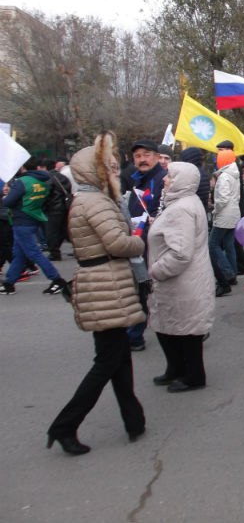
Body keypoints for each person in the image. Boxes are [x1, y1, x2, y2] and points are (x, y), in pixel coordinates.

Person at [47, 132, 146, 455]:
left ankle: (134, 420)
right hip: (106, 283)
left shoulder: (89, 200)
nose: (117, 172)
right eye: (112, 167)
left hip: (104, 282)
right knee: (107, 361)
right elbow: (117, 243)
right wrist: (139, 239)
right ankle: (65, 425)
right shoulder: (95, 202)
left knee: (117, 358)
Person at [145, 161, 214, 391]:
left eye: (169, 176)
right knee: (172, 327)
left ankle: (193, 377)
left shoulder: (182, 208)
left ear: (181, 181)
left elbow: (181, 254)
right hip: (182, 280)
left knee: (186, 331)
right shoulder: (184, 202)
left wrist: (156, 270)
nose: (165, 179)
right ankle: (176, 369)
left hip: (181, 280)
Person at [0, 158, 68, 296]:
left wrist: (5, 195)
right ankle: (9, 283)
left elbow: (8, 202)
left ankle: (57, 280)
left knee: (33, 253)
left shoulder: (22, 182)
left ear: (23, 167)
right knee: (19, 253)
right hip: (33, 217)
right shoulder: (42, 181)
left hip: (21, 220)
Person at [126, 139, 167, 351]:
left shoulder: (162, 179)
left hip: (155, 245)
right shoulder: (137, 180)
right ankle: (134, 334)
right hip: (138, 243)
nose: (142, 159)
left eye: (146, 155)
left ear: (157, 157)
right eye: (138, 156)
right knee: (143, 290)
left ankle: (135, 335)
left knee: (149, 290)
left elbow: (165, 211)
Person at [209, 148, 240, 297]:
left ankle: (228, 273)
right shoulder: (235, 175)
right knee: (229, 244)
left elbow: (222, 198)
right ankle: (232, 272)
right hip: (234, 213)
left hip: (224, 215)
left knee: (212, 244)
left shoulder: (224, 177)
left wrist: (215, 209)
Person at [40, 158, 72, 261]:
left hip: (53, 208)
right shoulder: (61, 176)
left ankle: (54, 252)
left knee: (51, 231)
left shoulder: (47, 178)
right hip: (65, 206)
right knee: (63, 230)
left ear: (44, 168)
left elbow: (46, 194)